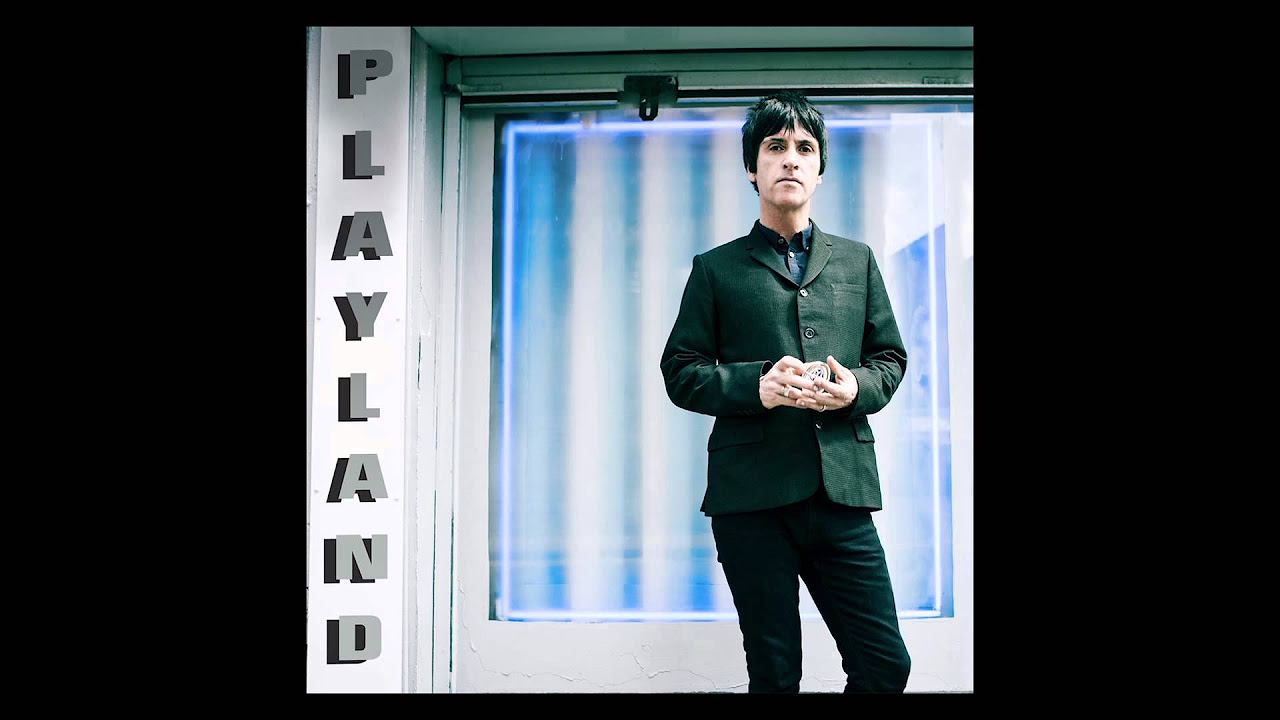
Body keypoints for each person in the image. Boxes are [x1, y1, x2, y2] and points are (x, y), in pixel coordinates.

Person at [659, 92, 911, 693]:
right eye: (775, 147)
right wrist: (756, 386)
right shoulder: (715, 268)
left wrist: (855, 388)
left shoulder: (857, 261)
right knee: (775, 676)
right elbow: (681, 370)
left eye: (804, 148)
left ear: (819, 170)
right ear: (753, 168)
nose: (790, 159)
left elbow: (890, 359)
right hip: (751, 501)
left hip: (841, 495)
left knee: (885, 666)